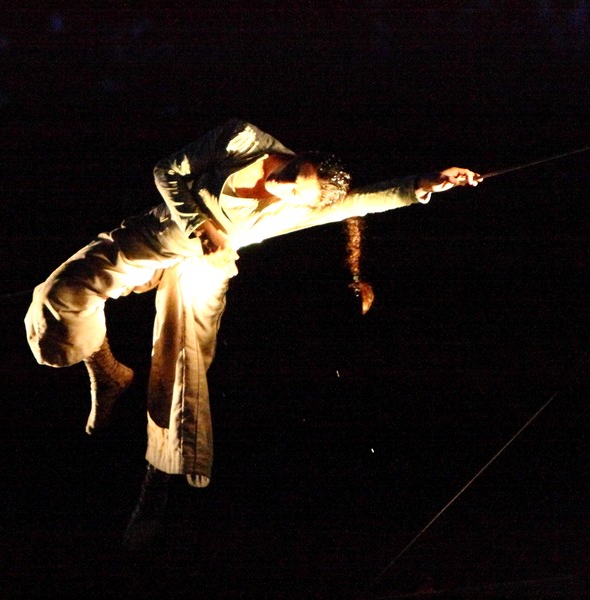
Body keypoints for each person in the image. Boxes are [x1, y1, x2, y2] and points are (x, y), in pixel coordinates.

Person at [24, 118, 480, 542]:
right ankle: (106, 370)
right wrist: (201, 225)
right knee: (56, 298)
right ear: (302, 156)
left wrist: (429, 183)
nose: (281, 188)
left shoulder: (299, 207)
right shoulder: (243, 139)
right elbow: (167, 171)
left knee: (183, 361)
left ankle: (155, 488)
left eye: (293, 195)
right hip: (158, 235)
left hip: (207, 267)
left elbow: (365, 199)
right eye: (292, 174)